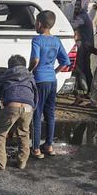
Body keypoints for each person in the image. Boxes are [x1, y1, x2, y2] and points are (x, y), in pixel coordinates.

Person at [28, 10, 70, 158]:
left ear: (39, 23)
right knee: (50, 114)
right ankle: (49, 145)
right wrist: (54, 72)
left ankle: (36, 149)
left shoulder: (37, 40)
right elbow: (66, 61)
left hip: (39, 80)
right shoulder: (56, 41)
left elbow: (35, 60)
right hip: (52, 80)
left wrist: (29, 71)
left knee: (37, 114)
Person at [0, 55, 37, 170]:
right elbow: (36, 95)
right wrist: (33, 109)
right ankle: (22, 163)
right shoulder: (30, 76)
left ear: (9, 66)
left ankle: (0, 163)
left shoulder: (5, 75)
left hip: (11, 106)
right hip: (28, 107)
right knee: (24, 134)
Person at [70, 0, 94, 101]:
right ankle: (89, 91)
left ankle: (83, 91)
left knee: (80, 68)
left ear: (83, 6)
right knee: (85, 68)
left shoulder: (82, 16)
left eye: (78, 5)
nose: (76, 7)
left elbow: (71, 25)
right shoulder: (84, 15)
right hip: (85, 45)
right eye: (76, 5)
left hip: (84, 46)